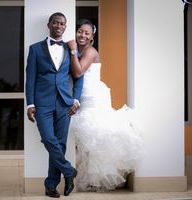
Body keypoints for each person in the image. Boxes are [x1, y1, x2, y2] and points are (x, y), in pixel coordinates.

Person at [68, 18, 144, 192]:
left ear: (92, 36)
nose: (82, 35)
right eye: (80, 31)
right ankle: (85, 176)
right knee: (85, 138)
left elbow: (78, 71)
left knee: (95, 136)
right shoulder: (76, 50)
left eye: (87, 32)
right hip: (81, 96)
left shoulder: (91, 51)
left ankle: (97, 180)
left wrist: (72, 50)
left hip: (93, 96)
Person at [25, 12, 84, 198]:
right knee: (49, 140)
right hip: (42, 103)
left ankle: (51, 186)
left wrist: (76, 99)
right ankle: (68, 171)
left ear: (65, 27)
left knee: (60, 144)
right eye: (56, 23)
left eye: (62, 24)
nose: (59, 26)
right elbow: (30, 79)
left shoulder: (71, 48)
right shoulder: (35, 49)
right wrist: (30, 104)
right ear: (49, 25)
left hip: (64, 103)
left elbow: (78, 76)